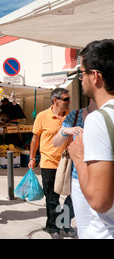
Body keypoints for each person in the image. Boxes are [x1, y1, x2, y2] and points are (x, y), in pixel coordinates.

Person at [68, 39, 114, 239]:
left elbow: (99, 200)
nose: (80, 79)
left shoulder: (99, 119)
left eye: (81, 73)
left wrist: (78, 159)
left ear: (95, 76)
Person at [28, 87, 75, 239]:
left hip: (68, 162)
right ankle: (53, 227)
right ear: (55, 100)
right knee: (52, 197)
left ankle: (65, 223)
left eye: (69, 99)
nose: (69, 102)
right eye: (66, 99)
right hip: (49, 162)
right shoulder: (42, 116)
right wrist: (32, 158)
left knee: (72, 195)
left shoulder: (71, 116)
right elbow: (35, 138)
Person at [52, 98, 97, 239]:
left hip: (103, 176)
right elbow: (56, 142)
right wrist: (66, 130)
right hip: (77, 177)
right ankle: (61, 225)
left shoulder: (108, 115)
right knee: (83, 225)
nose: (69, 101)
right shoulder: (75, 115)